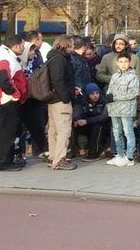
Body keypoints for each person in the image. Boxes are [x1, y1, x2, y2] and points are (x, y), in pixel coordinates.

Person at [0, 34, 28, 171]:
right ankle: (5, 162)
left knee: (11, 130)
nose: (24, 47)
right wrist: (15, 94)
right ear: (17, 45)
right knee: (8, 131)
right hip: (7, 100)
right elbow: (3, 79)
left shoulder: (7, 57)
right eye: (23, 45)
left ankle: (9, 160)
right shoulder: (5, 58)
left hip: (9, 99)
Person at [44, 35, 76, 170]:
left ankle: (53, 156)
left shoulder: (52, 57)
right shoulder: (59, 60)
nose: (74, 47)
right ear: (66, 45)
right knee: (63, 130)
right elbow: (58, 80)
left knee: (54, 130)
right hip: (60, 100)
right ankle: (60, 159)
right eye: (72, 45)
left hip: (53, 99)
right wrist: (66, 97)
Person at [106, 52, 140, 167]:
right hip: (114, 109)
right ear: (117, 63)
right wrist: (108, 98)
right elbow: (110, 90)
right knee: (117, 132)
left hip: (127, 109)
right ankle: (120, 155)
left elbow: (132, 93)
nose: (123, 64)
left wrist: (114, 97)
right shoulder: (115, 76)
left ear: (129, 62)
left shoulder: (133, 77)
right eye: (121, 62)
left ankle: (129, 156)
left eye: (126, 61)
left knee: (128, 132)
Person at [72, 83, 109, 160]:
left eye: (97, 93)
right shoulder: (84, 101)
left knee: (97, 126)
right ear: (88, 94)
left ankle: (93, 154)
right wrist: (76, 119)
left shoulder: (104, 101)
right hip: (88, 125)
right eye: (92, 94)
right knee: (74, 125)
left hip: (102, 127)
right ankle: (73, 150)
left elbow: (103, 117)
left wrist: (87, 121)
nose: (95, 96)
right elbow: (79, 112)